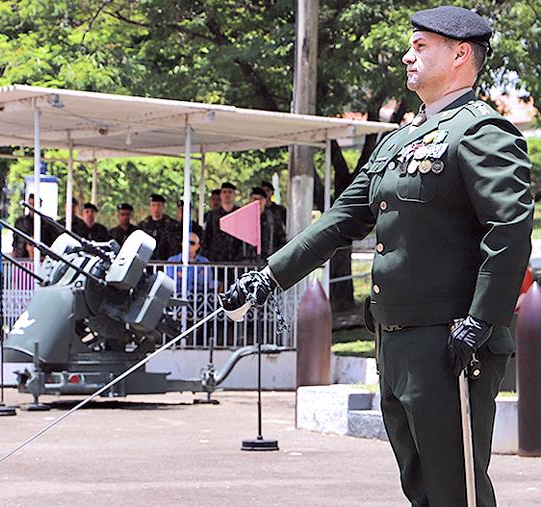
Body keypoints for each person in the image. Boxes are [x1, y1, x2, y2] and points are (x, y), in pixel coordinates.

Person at [220, 7, 532, 507]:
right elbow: (341, 218)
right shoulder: (399, 140)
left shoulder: (481, 131)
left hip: (450, 341)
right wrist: (269, 278)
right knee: (421, 487)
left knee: (457, 489)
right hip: (394, 341)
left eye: (421, 46)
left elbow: (510, 231)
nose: (408, 56)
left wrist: (481, 320)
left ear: (459, 54)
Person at [240, 187, 286, 261]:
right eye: (254, 198)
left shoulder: (273, 218)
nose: (257, 201)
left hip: (268, 260)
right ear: (250, 200)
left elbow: (281, 239)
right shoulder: (243, 218)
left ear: (265, 201)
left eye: (260, 198)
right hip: (246, 262)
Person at [202, 182, 242, 262]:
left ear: (234, 195)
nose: (227, 195)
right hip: (216, 258)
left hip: (237, 258)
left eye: (230, 192)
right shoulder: (212, 215)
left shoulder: (241, 213)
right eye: (224, 192)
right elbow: (206, 236)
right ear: (220, 195)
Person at [138, 193, 181, 260]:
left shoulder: (172, 224)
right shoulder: (143, 225)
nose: (156, 208)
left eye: (158, 205)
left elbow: (175, 246)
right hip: (148, 261)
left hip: (167, 261)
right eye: (153, 205)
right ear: (150, 207)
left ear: (163, 207)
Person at [13, 193, 56, 257]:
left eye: (34, 204)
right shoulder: (20, 221)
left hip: (42, 257)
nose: (32, 207)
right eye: (30, 204)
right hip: (22, 257)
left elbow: (52, 241)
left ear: (40, 205)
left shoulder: (48, 222)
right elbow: (15, 240)